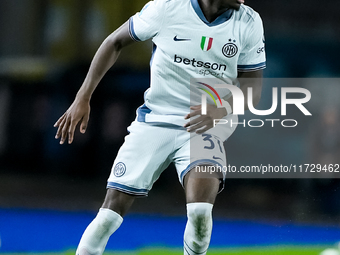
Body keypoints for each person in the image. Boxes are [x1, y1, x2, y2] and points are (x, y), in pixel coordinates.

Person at [54, 0, 266, 254]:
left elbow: (253, 90)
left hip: (204, 126)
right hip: (155, 121)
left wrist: (220, 109)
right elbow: (114, 42)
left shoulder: (249, 22)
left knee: (200, 212)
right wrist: (83, 97)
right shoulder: (166, 8)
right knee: (109, 215)